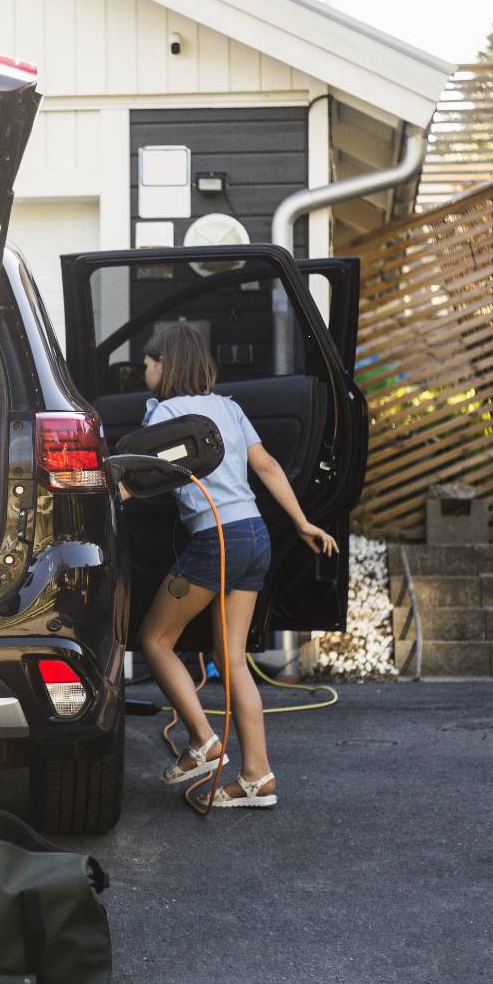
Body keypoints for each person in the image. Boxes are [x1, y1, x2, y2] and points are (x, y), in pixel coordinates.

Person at [128, 321, 337, 808]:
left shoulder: (164, 411)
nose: (143, 372)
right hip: (254, 535)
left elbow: (147, 473)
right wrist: (303, 522)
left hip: (214, 539)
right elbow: (266, 466)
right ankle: (257, 777)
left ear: (164, 364)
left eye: (146, 363)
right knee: (232, 659)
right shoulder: (230, 407)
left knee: (155, 640)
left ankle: (203, 741)